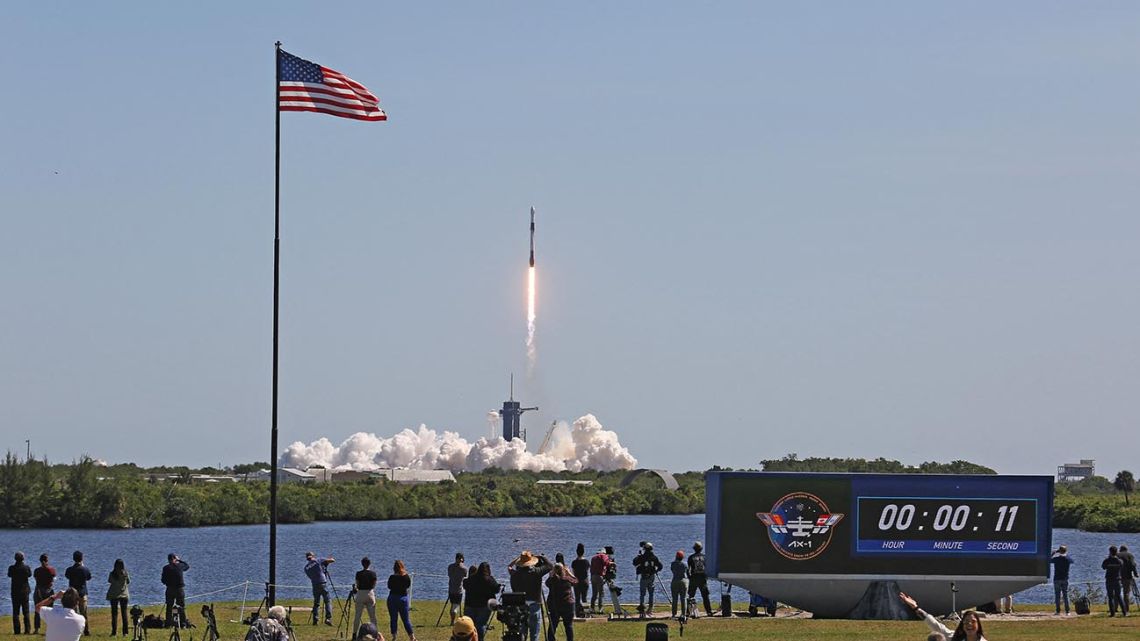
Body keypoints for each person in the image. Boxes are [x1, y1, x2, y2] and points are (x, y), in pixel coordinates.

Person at [899, 592, 988, 641]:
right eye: (966, 621)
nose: (969, 624)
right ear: (962, 625)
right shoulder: (955, 637)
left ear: (978, 625)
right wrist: (915, 607)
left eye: (973, 621)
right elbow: (934, 625)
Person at [508, 551, 552, 641]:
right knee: (534, 634)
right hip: (534, 604)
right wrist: (541, 557)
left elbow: (509, 567)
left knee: (522, 634)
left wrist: (517, 559)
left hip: (521, 606)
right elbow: (550, 566)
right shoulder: (536, 572)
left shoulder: (514, 575)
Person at [462, 562, 498, 641]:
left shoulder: (471, 578)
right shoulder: (489, 579)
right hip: (484, 606)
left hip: (470, 605)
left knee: (469, 625)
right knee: (481, 625)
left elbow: (465, 584)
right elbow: (496, 589)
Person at [544, 564, 577, 641]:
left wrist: (551, 575)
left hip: (555, 605)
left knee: (553, 626)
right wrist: (569, 573)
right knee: (568, 626)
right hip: (568, 604)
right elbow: (576, 581)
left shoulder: (552, 580)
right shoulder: (567, 579)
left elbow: (546, 583)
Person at [386, 560, 415, 641]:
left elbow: (389, 586)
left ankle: (394, 636)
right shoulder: (406, 577)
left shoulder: (392, 577)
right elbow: (408, 585)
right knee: (406, 619)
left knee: (393, 619)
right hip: (403, 598)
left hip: (392, 598)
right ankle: (412, 637)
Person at [632, 542, 663, 618]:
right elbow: (660, 566)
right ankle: (650, 609)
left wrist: (638, 555)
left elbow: (634, 562)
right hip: (651, 576)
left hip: (644, 577)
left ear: (645, 549)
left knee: (642, 594)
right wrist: (655, 571)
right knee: (651, 593)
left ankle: (642, 608)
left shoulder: (642, 557)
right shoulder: (654, 557)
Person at [63, 551, 91, 636]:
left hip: (72, 594)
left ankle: (74, 630)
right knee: (83, 613)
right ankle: (86, 630)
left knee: (73, 613)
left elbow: (67, 576)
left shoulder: (69, 569)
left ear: (73, 558)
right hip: (82, 593)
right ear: (82, 558)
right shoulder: (85, 569)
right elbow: (89, 577)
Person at [304, 552, 335, 626]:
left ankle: (315, 620)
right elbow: (332, 560)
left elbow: (311, 576)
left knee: (316, 603)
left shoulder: (306, 568)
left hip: (314, 584)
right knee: (327, 601)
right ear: (313, 556)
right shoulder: (318, 560)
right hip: (322, 583)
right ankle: (328, 618)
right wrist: (327, 561)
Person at [352, 557, 379, 640]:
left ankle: (354, 634)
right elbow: (374, 585)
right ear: (369, 564)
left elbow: (357, 585)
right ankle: (375, 634)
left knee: (357, 616)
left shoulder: (358, 573)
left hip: (360, 594)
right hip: (370, 593)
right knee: (372, 616)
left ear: (362, 564)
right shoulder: (373, 573)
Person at [161, 553, 190, 627]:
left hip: (170, 589)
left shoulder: (166, 568)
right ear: (174, 559)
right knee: (181, 606)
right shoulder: (180, 566)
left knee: (169, 607)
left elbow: (163, 580)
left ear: (168, 560)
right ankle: (183, 623)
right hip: (179, 589)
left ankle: (168, 624)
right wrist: (179, 560)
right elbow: (187, 566)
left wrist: (168, 583)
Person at [9, 551, 32, 634]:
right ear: (23, 558)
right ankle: (27, 630)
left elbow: (9, 575)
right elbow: (30, 575)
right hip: (25, 591)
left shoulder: (12, 568)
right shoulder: (26, 567)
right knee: (26, 611)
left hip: (15, 591)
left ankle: (17, 630)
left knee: (16, 612)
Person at [687, 541, 712, 617]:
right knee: (705, 596)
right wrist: (706, 576)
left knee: (691, 596)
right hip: (702, 578)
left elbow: (688, 569)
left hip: (694, 578)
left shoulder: (691, 557)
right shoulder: (705, 557)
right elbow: (708, 568)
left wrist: (689, 577)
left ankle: (688, 612)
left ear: (694, 549)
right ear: (701, 549)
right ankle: (709, 612)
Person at [33, 554, 57, 634]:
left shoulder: (37, 570)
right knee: (50, 610)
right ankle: (50, 628)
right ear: (47, 561)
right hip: (48, 591)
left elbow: (36, 579)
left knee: (37, 610)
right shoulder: (51, 570)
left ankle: (36, 629)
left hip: (38, 591)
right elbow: (53, 579)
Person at [106, 559, 130, 636]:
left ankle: (114, 632)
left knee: (114, 614)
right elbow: (128, 582)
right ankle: (125, 632)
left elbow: (109, 581)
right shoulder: (125, 573)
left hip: (114, 595)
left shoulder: (112, 574)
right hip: (124, 594)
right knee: (124, 613)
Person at [1102, 545, 1127, 617]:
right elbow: (1121, 566)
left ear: (1110, 552)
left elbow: (1103, 567)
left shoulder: (1107, 560)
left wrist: (1109, 558)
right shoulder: (1119, 561)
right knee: (1119, 596)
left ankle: (1112, 613)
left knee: (1110, 597)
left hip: (1109, 579)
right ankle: (1124, 612)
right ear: (1116, 552)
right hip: (1117, 579)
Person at [1050, 545, 1072, 615]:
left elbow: (1048, 559)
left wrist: (1054, 552)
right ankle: (1067, 611)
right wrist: (1064, 552)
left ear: (1059, 551)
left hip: (1057, 578)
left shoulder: (1056, 559)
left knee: (1057, 596)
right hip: (1065, 579)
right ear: (1066, 551)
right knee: (1065, 595)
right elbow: (1072, 560)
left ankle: (1057, 611)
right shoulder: (1067, 559)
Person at [569, 545, 590, 618]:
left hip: (577, 582)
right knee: (584, 598)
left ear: (576, 552)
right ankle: (586, 614)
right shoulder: (586, 562)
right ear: (583, 552)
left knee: (577, 598)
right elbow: (587, 571)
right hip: (585, 581)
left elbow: (574, 573)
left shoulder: (574, 562)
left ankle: (577, 614)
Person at [447, 553, 467, 626]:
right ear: (461, 559)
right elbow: (465, 575)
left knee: (453, 605)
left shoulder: (450, 567)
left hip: (451, 589)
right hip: (458, 590)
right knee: (455, 606)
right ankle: (453, 621)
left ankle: (452, 620)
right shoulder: (464, 568)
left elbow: (449, 575)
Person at [669, 550, 689, 617]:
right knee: (683, 598)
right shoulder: (685, 564)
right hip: (683, 581)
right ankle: (684, 614)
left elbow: (672, 570)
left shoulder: (673, 564)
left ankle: (674, 614)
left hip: (675, 581)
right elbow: (688, 571)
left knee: (675, 598)